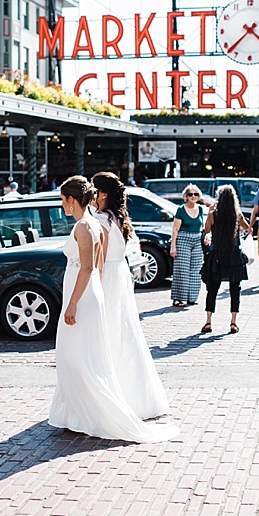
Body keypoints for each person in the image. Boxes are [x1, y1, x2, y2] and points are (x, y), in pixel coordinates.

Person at [48, 176, 177, 443]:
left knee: (77, 355)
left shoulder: (85, 226)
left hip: (82, 294)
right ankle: (78, 411)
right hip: (90, 291)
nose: (61, 205)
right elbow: (98, 267)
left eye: (63, 200)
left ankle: (91, 411)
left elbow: (88, 267)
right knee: (81, 354)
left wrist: (72, 303)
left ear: (72, 200)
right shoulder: (96, 224)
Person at [92, 171, 172, 421]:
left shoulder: (101, 221)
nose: (91, 194)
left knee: (107, 333)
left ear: (103, 194)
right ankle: (134, 393)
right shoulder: (116, 218)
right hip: (120, 277)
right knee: (123, 332)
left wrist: (91, 288)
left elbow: (99, 261)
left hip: (108, 279)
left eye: (94, 190)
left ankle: (110, 393)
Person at [202, 184, 250, 334]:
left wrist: (210, 213)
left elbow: (207, 230)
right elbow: (247, 228)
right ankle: (233, 322)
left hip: (217, 256)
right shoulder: (237, 215)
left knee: (212, 289)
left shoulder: (213, 214)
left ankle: (208, 321)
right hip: (234, 256)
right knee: (235, 289)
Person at [169, 183, 207, 307]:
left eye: (196, 194)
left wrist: (206, 236)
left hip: (197, 240)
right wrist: (173, 247)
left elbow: (202, 228)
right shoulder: (180, 210)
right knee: (182, 270)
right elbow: (175, 230)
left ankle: (192, 297)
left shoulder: (201, 209)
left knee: (196, 270)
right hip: (183, 239)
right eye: (190, 194)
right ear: (186, 196)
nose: (193, 196)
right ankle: (179, 299)